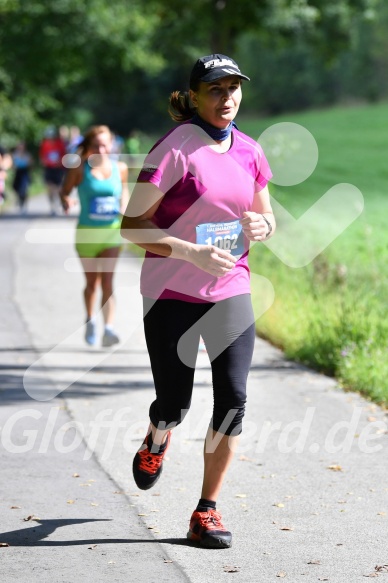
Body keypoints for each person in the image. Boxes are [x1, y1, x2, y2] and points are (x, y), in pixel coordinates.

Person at [121, 53, 276, 548]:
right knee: (174, 403)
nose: (227, 98)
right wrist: (189, 251)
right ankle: (156, 437)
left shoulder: (250, 150)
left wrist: (263, 226)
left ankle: (206, 510)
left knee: (232, 402)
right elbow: (132, 226)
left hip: (231, 289)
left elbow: (265, 216)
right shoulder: (173, 149)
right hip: (171, 292)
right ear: (194, 96)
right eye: (215, 89)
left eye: (234, 88)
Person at [59, 125, 129, 347]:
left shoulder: (121, 168)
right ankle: (90, 320)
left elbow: (123, 191)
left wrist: (124, 208)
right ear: (89, 147)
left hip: (111, 232)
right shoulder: (80, 168)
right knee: (92, 284)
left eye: (105, 144)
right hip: (87, 234)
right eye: (96, 145)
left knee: (108, 282)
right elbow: (64, 191)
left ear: (112, 145)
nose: (101, 149)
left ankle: (108, 329)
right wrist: (66, 201)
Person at [39, 126, 67, 215]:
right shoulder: (44, 144)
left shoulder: (60, 144)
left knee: (59, 188)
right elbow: (42, 156)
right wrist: (44, 161)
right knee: (50, 188)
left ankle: (60, 203)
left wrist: (59, 162)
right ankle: (52, 206)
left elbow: (64, 155)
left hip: (58, 169)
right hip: (49, 168)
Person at [12, 142, 33, 213]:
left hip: (25, 173)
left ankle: (24, 205)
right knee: (16, 188)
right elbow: (12, 164)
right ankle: (19, 200)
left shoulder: (27, 155)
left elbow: (31, 164)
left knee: (23, 190)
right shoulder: (15, 154)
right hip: (18, 173)